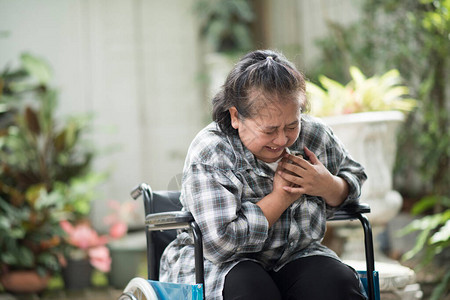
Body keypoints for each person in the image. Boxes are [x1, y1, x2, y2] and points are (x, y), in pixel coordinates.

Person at [159, 49, 368, 300]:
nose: (282, 139)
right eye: (269, 130)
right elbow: (220, 245)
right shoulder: (213, 151)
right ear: (236, 116)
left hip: (295, 254)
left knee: (336, 283)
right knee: (252, 288)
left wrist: (327, 186)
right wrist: (280, 198)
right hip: (219, 264)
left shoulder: (314, 135)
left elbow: (355, 175)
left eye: (292, 125)